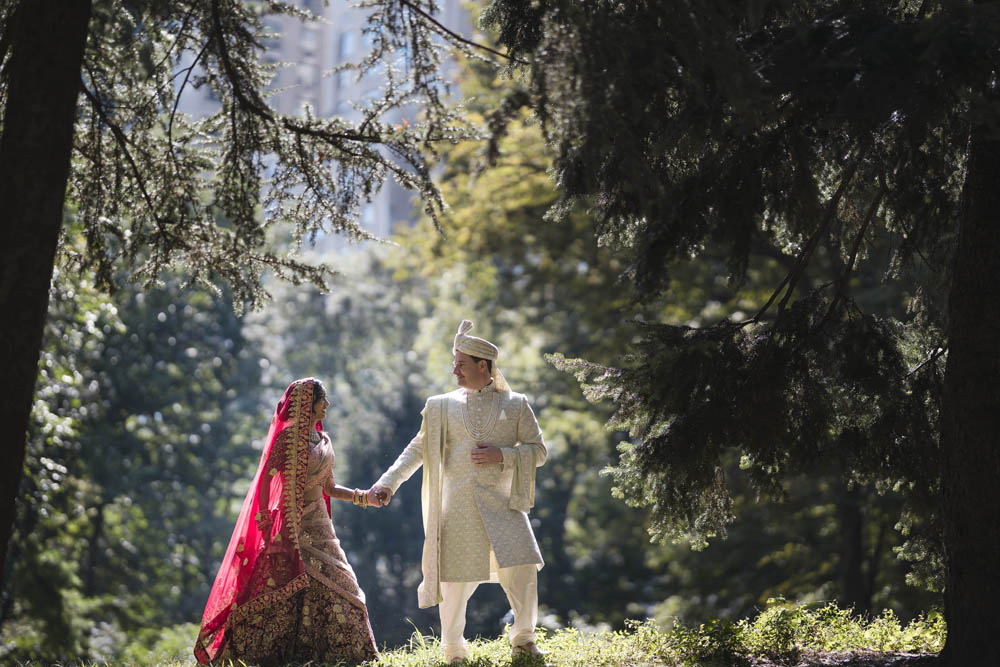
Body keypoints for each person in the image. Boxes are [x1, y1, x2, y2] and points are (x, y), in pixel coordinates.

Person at [369, 320, 547, 663]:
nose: (455, 371)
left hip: (505, 505)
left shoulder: (517, 404)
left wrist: (504, 456)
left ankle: (523, 639)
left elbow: (538, 451)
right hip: (458, 507)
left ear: (484, 366)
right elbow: (417, 449)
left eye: (461, 364)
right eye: (454, 364)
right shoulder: (441, 406)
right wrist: (387, 482)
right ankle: (453, 649)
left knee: (522, 568)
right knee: (453, 583)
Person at [195, 378, 382, 666]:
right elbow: (265, 483)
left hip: (321, 527)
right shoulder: (287, 441)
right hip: (292, 528)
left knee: (344, 584)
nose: (327, 405)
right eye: (323, 400)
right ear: (309, 403)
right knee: (279, 588)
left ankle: (346, 654)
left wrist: (363, 497)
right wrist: (267, 522)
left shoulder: (324, 441)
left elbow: (330, 488)